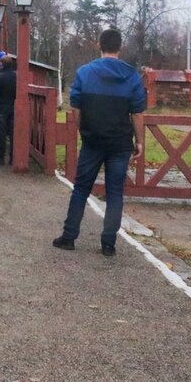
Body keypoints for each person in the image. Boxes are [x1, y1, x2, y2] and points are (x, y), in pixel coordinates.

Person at [53, 28, 147, 257]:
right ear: (120, 47)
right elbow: (137, 113)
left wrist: (83, 131)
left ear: (99, 45)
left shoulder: (85, 72)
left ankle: (69, 236)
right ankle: (108, 243)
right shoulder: (132, 75)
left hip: (93, 140)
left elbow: (75, 107)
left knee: (81, 188)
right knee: (115, 192)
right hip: (120, 142)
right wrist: (140, 141)